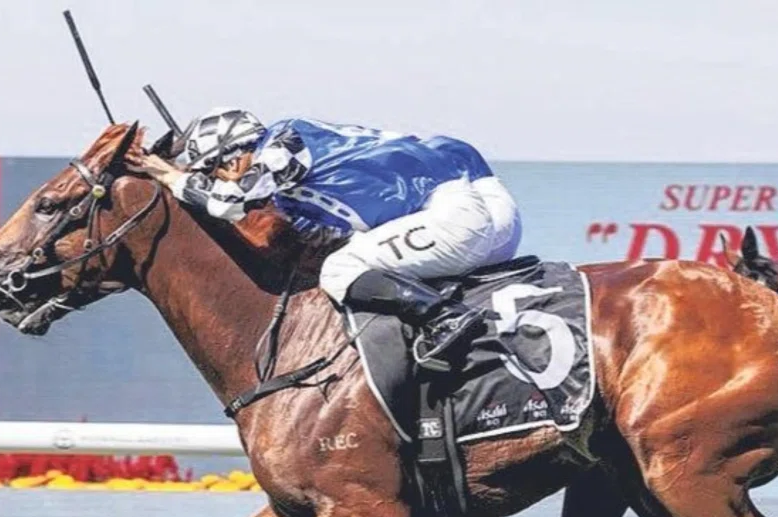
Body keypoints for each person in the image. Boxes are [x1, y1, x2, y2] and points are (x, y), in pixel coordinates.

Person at [131, 108, 522, 369]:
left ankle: (445, 320)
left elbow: (227, 205)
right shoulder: (296, 171)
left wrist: (165, 174)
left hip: (458, 218)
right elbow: (453, 148)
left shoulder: (281, 144)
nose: (219, 180)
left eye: (214, 172)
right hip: (491, 210)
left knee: (340, 270)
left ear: (233, 158)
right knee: (364, 257)